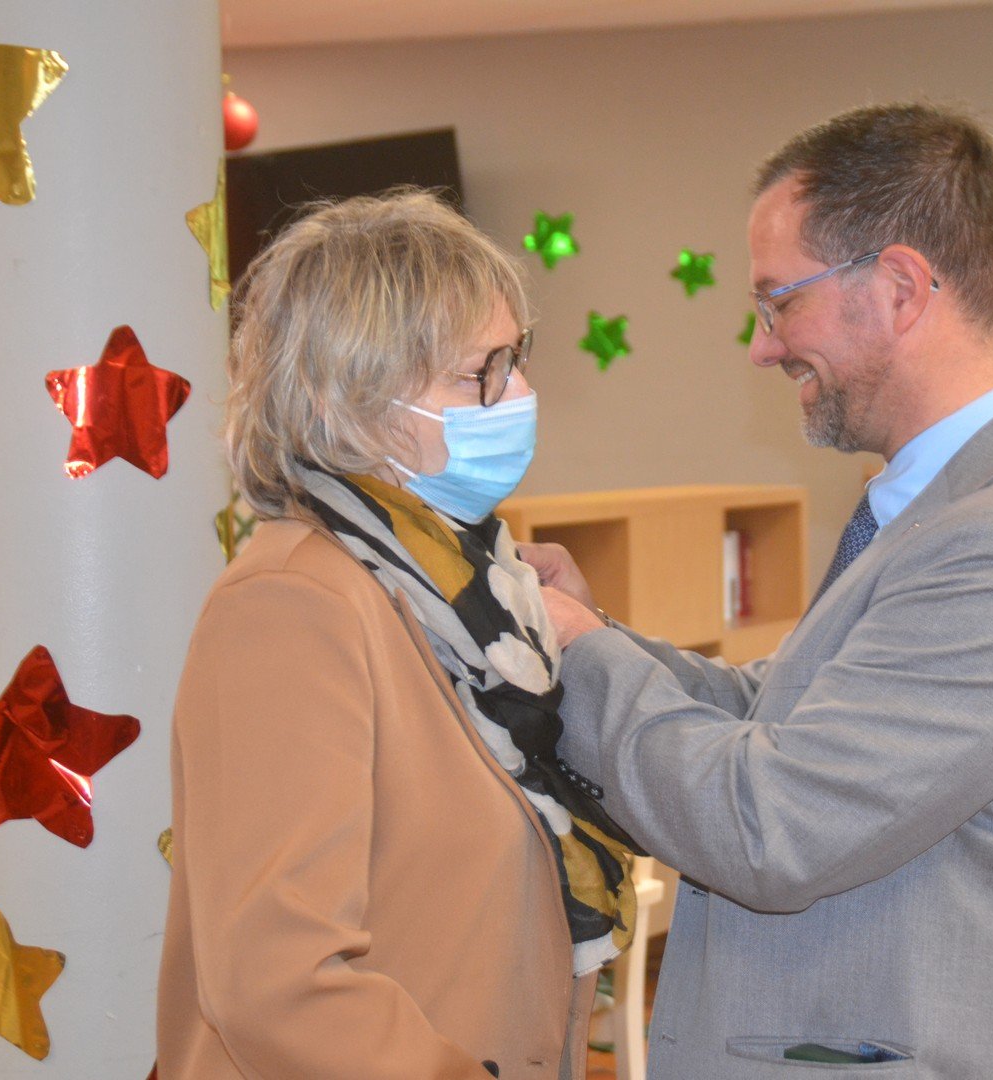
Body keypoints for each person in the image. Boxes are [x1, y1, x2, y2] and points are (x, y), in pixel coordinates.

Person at [522, 104, 993, 1079]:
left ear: (899, 288)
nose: (763, 345)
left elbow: (771, 828)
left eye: (779, 301)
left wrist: (583, 653)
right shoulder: (953, 504)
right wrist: (598, 630)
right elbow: (782, 711)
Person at [157, 190, 636, 1080]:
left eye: (516, 359)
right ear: (349, 399)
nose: (519, 394)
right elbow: (278, 983)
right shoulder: (292, 605)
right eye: (479, 372)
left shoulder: (470, 599)